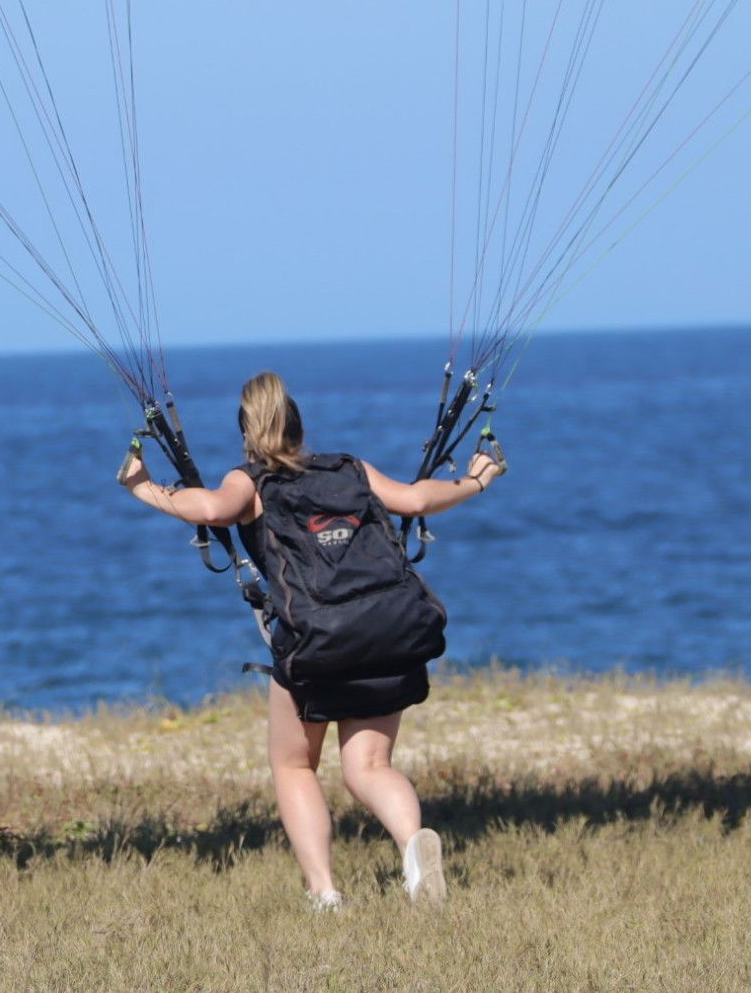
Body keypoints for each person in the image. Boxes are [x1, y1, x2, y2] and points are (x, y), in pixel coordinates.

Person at [117, 371, 504, 909]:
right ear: (298, 426)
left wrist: (143, 487)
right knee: (370, 767)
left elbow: (209, 510)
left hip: (316, 644)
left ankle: (325, 893)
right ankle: (413, 848)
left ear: (247, 434)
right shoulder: (351, 469)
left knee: (295, 765)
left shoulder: (250, 482)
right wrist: (478, 479)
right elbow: (416, 499)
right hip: (390, 633)